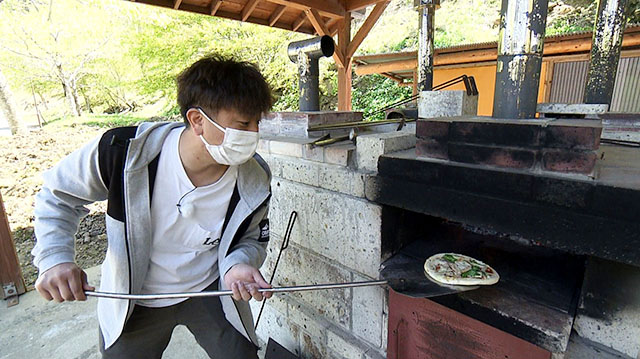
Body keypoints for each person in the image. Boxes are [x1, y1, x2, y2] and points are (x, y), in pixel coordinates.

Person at [32, 54, 275, 358]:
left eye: (257, 123)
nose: (253, 134)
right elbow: (57, 194)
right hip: (135, 298)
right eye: (243, 124)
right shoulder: (123, 153)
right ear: (197, 120)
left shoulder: (254, 177)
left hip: (210, 291)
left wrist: (237, 265)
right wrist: (54, 258)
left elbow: (252, 238)